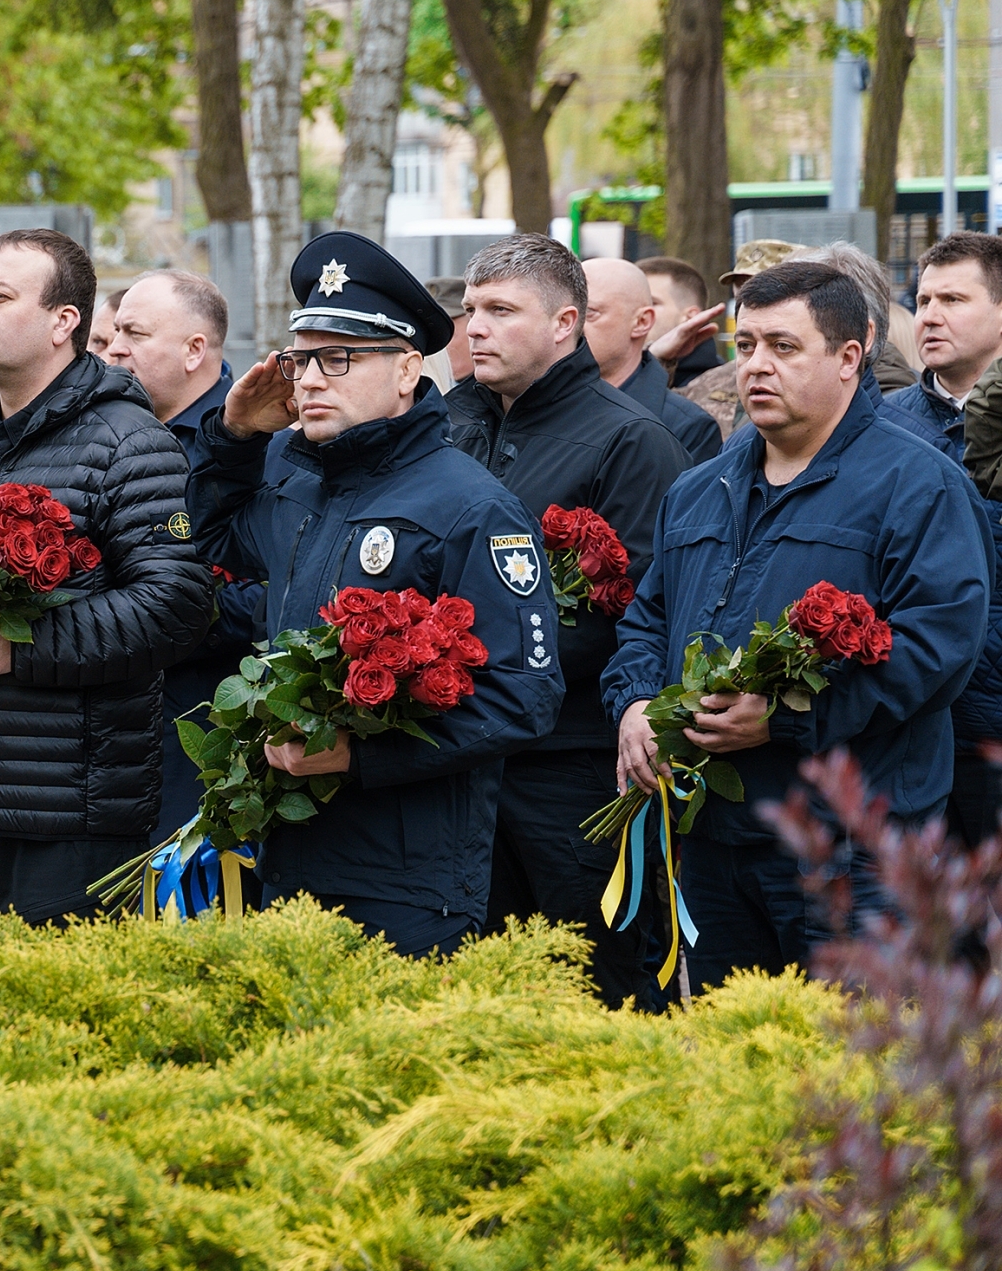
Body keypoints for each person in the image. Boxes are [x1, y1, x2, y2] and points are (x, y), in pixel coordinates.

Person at [605, 262, 987, 990]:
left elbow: (939, 650)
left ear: (849, 357)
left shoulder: (920, 484)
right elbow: (647, 619)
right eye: (744, 344)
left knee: (851, 1078)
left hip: (852, 850)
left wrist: (782, 718)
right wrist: (631, 704)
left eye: (783, 346)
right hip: (714, 841)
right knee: (734, 1068)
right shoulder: (699, 487)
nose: (755, 366)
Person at [189, 231, 564, 957]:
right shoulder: (295, 472)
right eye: (301, 360)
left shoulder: (471, 506)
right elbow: (218, 543)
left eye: (340, 358)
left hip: (407, 870)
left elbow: (525, 696)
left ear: (405, 370)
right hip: (292, 845)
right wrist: (233, 437)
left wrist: (358, 756)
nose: (311, 381)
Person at [0, 232, 209, 919]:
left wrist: (17, 648)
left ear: (63, 321)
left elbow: (176, 605)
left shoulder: (128, 440)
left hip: (71, 820)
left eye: (0, 296)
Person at [443, 237, 689, 1005]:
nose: (476, 327)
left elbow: (638, 607)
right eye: (471, 310)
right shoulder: (452, 424)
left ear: (564, 324)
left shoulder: (631, 440)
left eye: (501, 311)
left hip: (570, 768)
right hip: (462, 757)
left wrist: (469, 665)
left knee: (596, 977)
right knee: (484, 980)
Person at [107, 269, 259, 833]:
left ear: (195, 349)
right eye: (116, 330)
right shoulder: (107, 433)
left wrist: (166, 610)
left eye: (135, 334)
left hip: (200, 724)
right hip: (109, 727)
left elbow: (277, 592)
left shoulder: (259, 445)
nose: (115, 348)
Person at [887, 231, 1002, 847]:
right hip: (905, 728)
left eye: (953, 300)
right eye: (923, 299)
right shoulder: (878, 424)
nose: (929, 314)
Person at [583, 257, 723, 465]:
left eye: (590, 313)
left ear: (642, 321)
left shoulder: (690, 422)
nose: (573, 327)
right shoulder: (542, 399)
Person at [678, 240, 800, 439]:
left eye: (763, 284)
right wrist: (660, 359)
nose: (750, 295)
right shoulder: (710, 381)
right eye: (741, 285)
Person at [640, 254, 726, 387]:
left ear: (690, 317)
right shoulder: (608, 375)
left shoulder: (721, 388)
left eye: (652, 303)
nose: (637, 312)